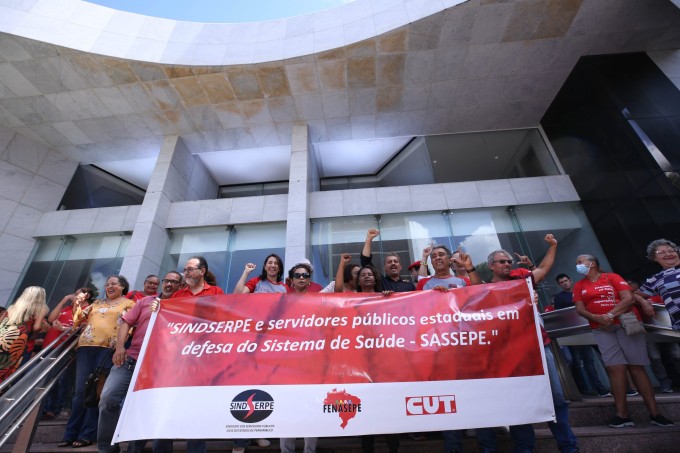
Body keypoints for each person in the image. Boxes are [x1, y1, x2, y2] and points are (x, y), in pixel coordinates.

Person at [462, 234, 579, 453]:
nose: (507, 264)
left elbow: (543, 268)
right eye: (501, 261)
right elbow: (475, 287)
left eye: (509, 261)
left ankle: (568, 446)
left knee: (555, 397)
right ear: (491, 266)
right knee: (518, 400)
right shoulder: (487, 288)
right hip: (507, 352)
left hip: (538, 346)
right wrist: (469, 268)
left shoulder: (522, 281)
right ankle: (524, 447)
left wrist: (553, 246)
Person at [96, 272, 201, 453]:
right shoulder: (145, 301)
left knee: (152, 409)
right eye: (166, 281)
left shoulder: (183, 306)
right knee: (108, 399)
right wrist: (120, 348)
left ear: (181, 286)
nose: (169, 284)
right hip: (131, 360)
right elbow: (126, 323)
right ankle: (107, 448)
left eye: (174, 282)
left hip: (162, 367)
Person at [572, 254, 674, 428]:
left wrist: (609, 315)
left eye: (580, 262)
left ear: (592, 263)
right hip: (601, 328)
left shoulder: (612, 277)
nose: (578, 265)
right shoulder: (579, 285)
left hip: (625, 324)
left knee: (636, 367)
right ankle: (622, 415)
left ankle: (655, 413)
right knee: (615, 368)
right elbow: (580, 309)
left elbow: (628, 298)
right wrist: (596, 317)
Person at [59, 275, 135, 449]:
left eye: (114, 284)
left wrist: (120, 346)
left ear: (123, 287)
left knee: (97, 391)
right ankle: (70, 434)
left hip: (108, 349)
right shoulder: (96, 303)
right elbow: (78, 319)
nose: (109, 286)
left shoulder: (129, 304)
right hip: (86, 347)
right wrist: (77, 304)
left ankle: (88, 434)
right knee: (80, 391)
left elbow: (130, 326)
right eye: (107, 284)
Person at [279, 264, 319, 453]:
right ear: (291, 280)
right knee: (287, 409)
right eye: (297, 275)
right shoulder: (281, 302)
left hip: (311, 363)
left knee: (311, 409)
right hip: (287, 364)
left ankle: (310, 450)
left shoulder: (318, 302)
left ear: (309, 279)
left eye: (305, 275)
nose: (301, 277)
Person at [551, 274, 612, 397]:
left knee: (608, 357)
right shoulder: (559, 298)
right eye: (561, 282)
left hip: (594, 327)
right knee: (588, 361)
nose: (564, 283)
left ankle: (620, 387)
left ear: (570, 280)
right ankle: (601, 390)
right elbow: (560, 317)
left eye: (565, 281)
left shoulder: (581, 292)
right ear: (559, 285)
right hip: (579, 333)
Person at [42, 287, 95, 420]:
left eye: (78, 294)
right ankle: (47, 407)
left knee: (63, 379)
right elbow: (51, 319)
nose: (74, 296)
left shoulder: (88, 309)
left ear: (87, 296)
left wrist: (63, 328)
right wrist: (63, 300)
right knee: (48, 377)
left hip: (67, 347)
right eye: (74, 294)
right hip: (51, 345)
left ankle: (57, 408)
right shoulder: (67, 307)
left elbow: (82, 328)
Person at [628, 279, 679, 394]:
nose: (628, 287)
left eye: (630, 285)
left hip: (667, 329)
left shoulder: (655, 295)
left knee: (676, 355)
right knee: (655, 357)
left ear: (636, 285)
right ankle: (664, 383)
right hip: (648, 331)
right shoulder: (629, 297)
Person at [0, 286, 49, 382]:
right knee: (7, 369)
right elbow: (37, 327)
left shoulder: (14, 306)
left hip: (2, 335)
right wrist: (35, 334)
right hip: (17, 340)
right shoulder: (41, 308)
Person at [640, 239, 680, 330]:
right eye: (661, 252)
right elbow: (635, 295)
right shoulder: (655, 279)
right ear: (654, 258)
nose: (668, 254)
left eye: (671, 251)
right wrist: (643, 302)